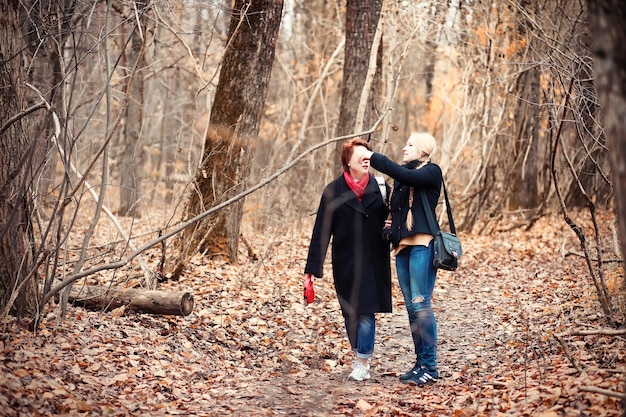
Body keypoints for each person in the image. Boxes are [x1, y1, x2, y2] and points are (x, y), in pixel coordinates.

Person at [304, 138, 392, 382]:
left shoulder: (382, 187)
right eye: (360, 157)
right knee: (351, 314)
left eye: (368, 156)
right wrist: (311, 269)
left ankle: (362, 361)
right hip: (346, 262)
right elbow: (321, 231)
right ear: (347, 162)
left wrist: (392, 226)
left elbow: (395, 218)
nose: (366, 160)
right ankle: (358, 352)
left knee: (366, 312)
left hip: (374, 260)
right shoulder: (333, 191)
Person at [361, 132, 443, 386]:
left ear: (423, 150)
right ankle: (420, 364)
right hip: (402, 248)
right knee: (411, 308)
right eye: (406, 144)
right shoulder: (401, 181)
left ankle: (430, 366)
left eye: (410, 145)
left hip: (422, 245)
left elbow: (406, 175)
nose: (405, 148)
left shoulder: (431, 171)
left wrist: (373, 157)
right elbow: (394, 211)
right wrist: (388, 229)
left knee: (420, 305)